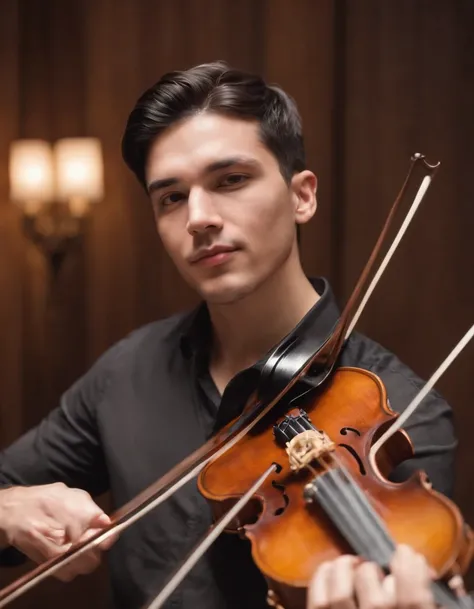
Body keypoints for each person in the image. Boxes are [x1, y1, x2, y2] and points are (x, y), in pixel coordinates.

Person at [0, 61, 458, 609]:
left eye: (231, 180)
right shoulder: (125, 374)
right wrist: (8, 511)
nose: (199, 217)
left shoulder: (402, 413)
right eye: (171, 197)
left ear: (301, 196)